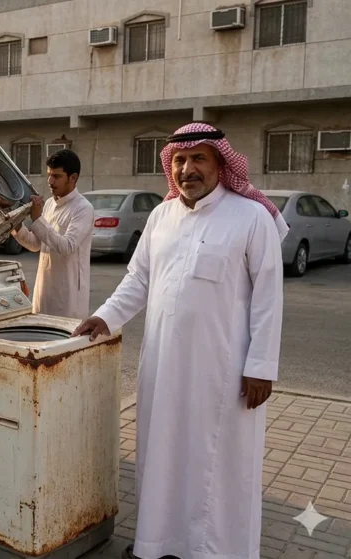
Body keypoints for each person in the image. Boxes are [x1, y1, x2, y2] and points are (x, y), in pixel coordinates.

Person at [73, 123, 287, 559]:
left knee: (219, 464)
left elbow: (269, 297)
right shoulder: (161, 216)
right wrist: (105, 316)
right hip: (164, 365)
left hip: (224, 373)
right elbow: (139, 279)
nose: (188, 169)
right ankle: (158, 544)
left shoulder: (251, 217)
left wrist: (261, 366)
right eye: (180, 160)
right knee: (163, 457)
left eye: (198, 159)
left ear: (221, 164)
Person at [10, 149, 94, 319]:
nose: (50, 181)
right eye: (49, 175)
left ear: (73, 178)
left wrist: (37, 218)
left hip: (69, 297)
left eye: (56, 176)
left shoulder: (83, 208)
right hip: (44, 289)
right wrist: (15, 224)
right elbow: (35, 244)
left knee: (64, 335)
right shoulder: (49, 204)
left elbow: (67, 246)